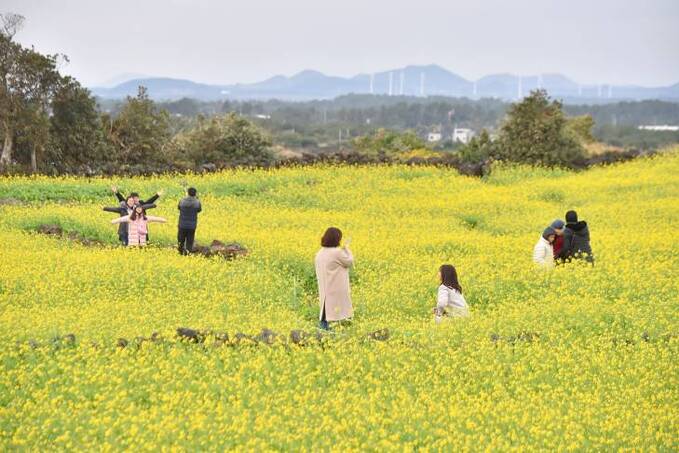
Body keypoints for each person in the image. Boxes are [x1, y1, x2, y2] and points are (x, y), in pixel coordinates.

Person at [314, 227, 354, 330]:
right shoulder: (337, 252)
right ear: (336, 239)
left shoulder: (319, 253)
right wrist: (346, 248)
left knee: (325, 315)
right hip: (336, 290)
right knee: (337, 317)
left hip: (324, 290)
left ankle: (322, 339)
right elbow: (349, 261)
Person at [178, 187, 202, 255]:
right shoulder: (197, 202)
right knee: (190, 241)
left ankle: (180, 254)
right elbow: (199, 210)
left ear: (187, 193)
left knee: (181, 240)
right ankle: (188, 254)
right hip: (192, 226)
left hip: (182, 224)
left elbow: (179, 207)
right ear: (195, 194)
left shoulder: (182, 201)